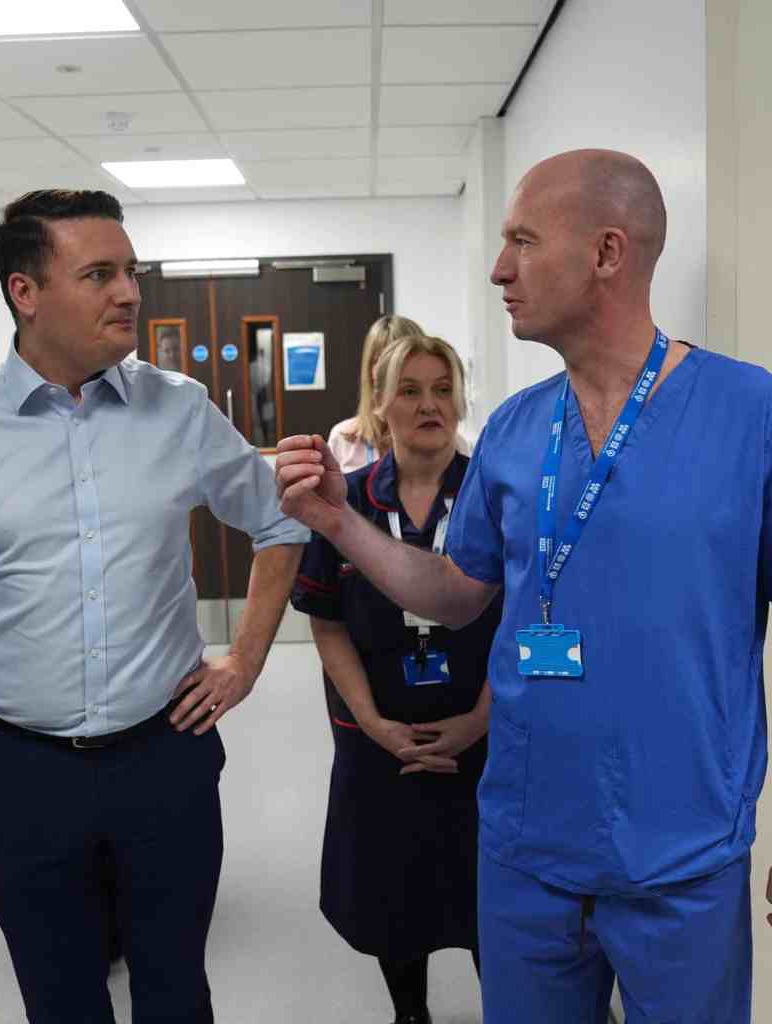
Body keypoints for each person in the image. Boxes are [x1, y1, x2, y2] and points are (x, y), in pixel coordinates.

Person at [276, 149, 772, 1023]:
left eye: (524, 241)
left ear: (607, 253)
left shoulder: (750, 415)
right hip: (524, 851)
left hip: (682, 855)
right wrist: (340, 523)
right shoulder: (514, 428)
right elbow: (455, 590)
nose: (500, 268)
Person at [0, 189, 308, 1024]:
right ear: (25, 291)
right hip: (19, 772)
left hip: (164, 755)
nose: (129, 293)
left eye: (131, 272)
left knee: (176, 992)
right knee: (60, 1000)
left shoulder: (177, 408)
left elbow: (282, 518)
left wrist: (245, 660)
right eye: (100, 274)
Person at [291, 332, 500, 1024]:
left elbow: (526, 621)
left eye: (442, 389)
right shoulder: (344, 503)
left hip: (481, 742)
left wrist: (480, 720)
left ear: (460, 401)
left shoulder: (494, 498)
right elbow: (326, 621)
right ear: (379, 405)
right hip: (381, 742)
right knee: (392, 894)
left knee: (488, 893)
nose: (428, 405)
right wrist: (374, 724)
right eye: (409, 391)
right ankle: (410, 1012)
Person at [326, 314, 423, 473]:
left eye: (399, 361)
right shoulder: (342, 439)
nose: (390, 372)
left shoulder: (447, 443)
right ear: (369, 369)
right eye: (380, 360)